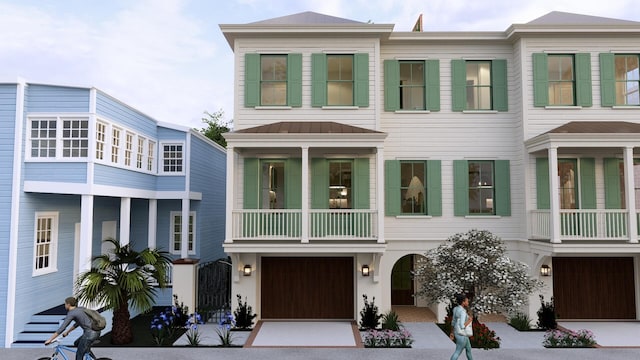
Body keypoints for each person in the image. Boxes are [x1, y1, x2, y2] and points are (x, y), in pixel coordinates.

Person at [449, 293, 474, 360]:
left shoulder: (455, 309)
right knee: (457, 352)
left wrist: (452, 332)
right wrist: (469, 320)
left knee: (468, 349)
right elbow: (462, 326)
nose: (468, 302)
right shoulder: (463, 311)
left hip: (457, 332)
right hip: (462, 333)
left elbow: (453, 321)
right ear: (463, 302)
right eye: (467, 301)